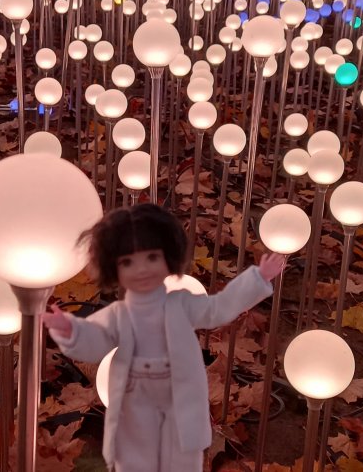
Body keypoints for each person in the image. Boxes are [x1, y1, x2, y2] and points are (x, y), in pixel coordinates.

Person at [44, 202, 286, 472]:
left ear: (168, 259)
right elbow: (96, 338)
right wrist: (70, 330)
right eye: (128, 262)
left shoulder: (182, 304)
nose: (142, 269)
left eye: (152, 258)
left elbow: (219, 308)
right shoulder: (119, 314)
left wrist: (256, 279)